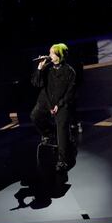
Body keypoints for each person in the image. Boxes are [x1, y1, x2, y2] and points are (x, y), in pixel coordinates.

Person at [30, 43, 77, 172]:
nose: (49, 55)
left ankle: (62, 160)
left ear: (59, 56)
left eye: (52, 53)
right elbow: (36, 83)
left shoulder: (70, 72)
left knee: (61, 128)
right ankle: (48, 133)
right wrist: (40, 69)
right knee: (35, 116)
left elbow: (70, 93)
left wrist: (59, 105)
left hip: (61, 103)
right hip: (46, 100)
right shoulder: (47, 68)